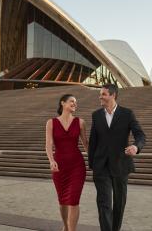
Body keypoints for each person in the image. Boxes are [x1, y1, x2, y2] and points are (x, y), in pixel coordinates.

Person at [88, 83, 146, 231]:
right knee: (104, 203)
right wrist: (92, 164)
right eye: (100, 94)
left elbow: (140, 134)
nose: (100, 96)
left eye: (103, 94)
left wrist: (136, 146)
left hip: (121, 165)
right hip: (101, 167)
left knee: (119, 203)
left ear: (113, 95)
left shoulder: (127, 114)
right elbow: (93, 140)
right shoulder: (96, 115)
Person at [45, 94, 88, 231]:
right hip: (59, 167)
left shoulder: (80, 122)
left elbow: (86, 144)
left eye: (76, 102)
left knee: (74, 200)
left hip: (77, 166)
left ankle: (71, 230)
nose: (75, 104)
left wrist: (96, 158)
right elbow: (48, 145)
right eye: (71, 101)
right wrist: (51, 160)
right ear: (62, 103)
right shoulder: (51, 122)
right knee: (63, 201)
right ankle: (66, 226)